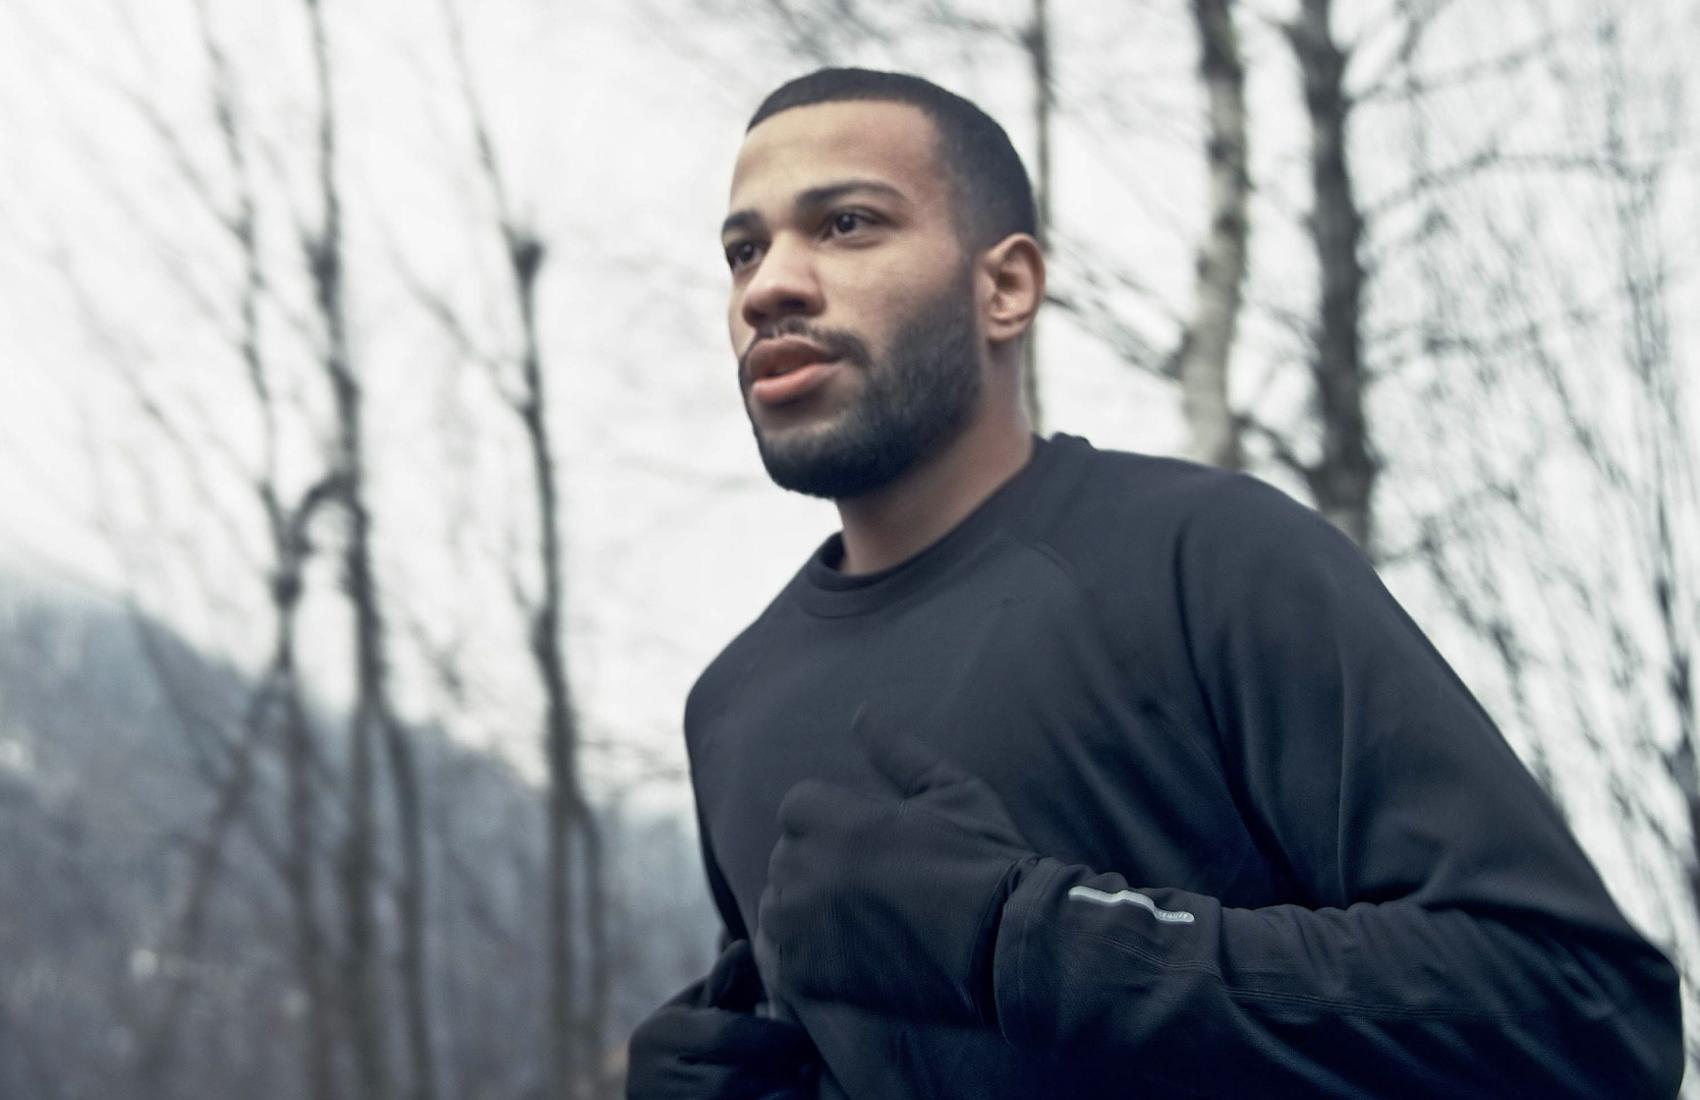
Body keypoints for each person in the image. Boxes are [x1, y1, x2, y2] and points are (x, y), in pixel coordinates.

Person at [626, 67, 1683, 1099]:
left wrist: (1018, 934)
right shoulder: (731, 707)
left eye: (847, 224)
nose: (769, 284)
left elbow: (1585, 1010)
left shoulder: (1209, 557)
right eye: (742, 248)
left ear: (1003, 286)